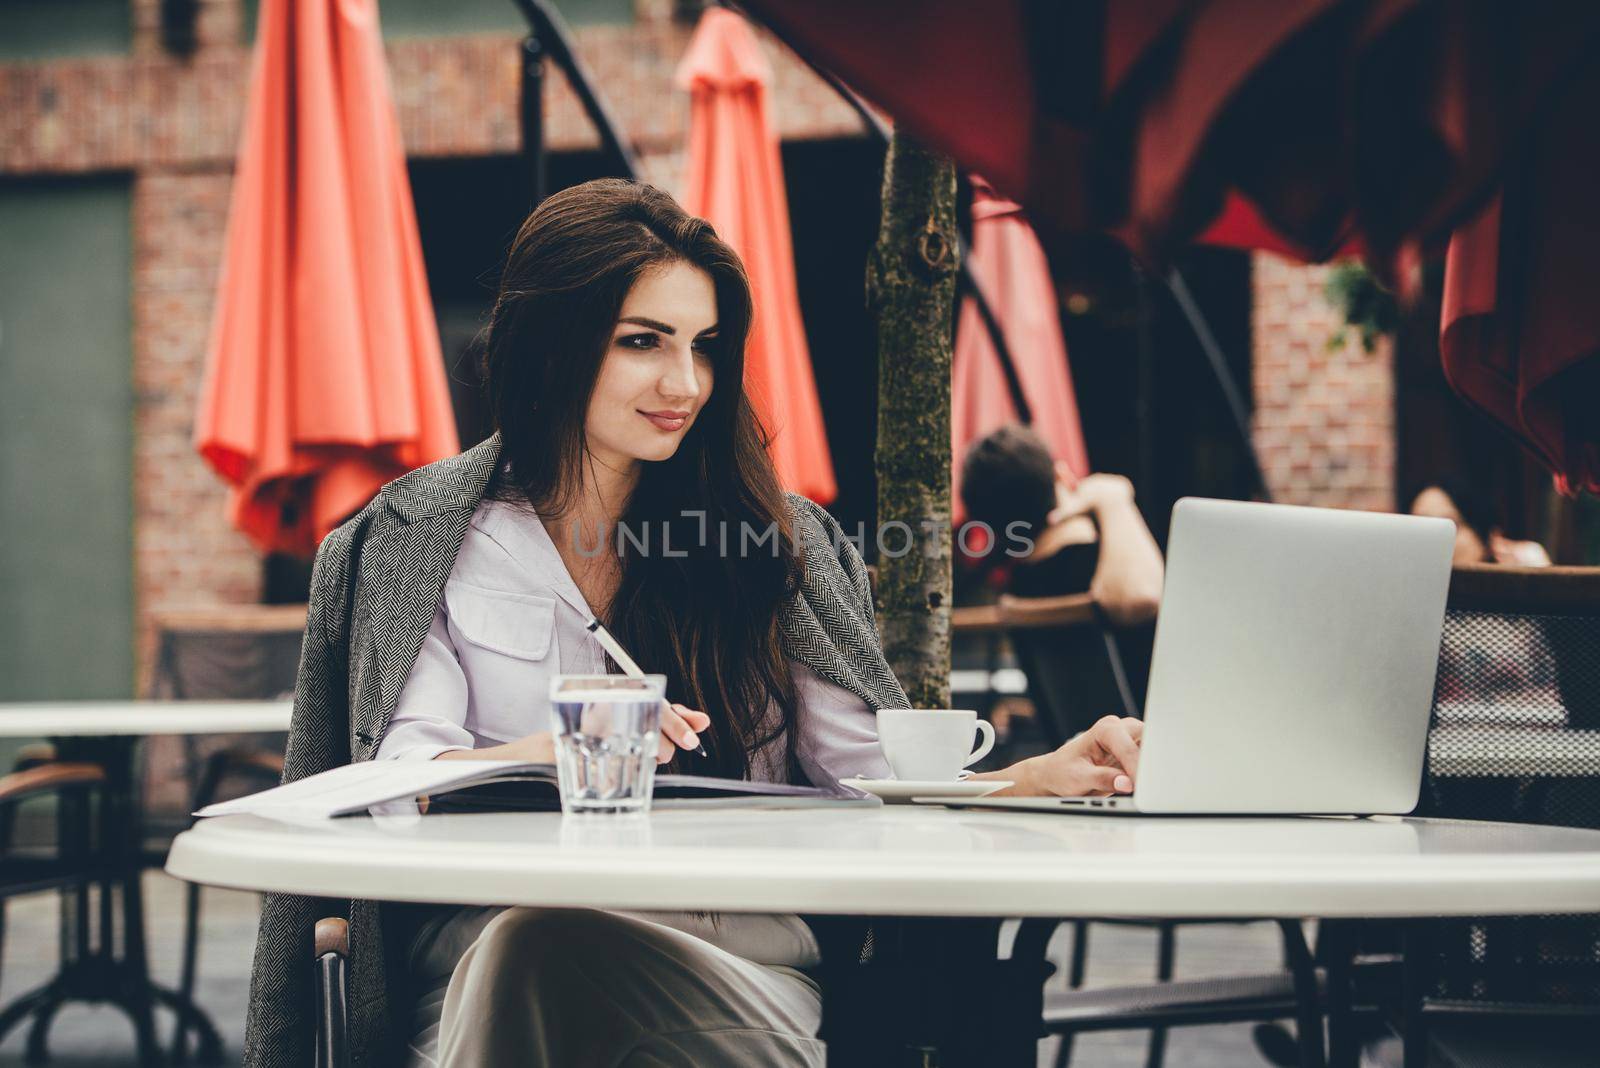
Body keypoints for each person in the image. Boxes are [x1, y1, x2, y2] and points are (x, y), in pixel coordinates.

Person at [244, 179, 1146, 1068]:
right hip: (477, 967)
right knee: (534, 947)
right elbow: (393, 783)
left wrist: (1031, 777)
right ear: (550, 344)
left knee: (547, 953)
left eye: (706, 346)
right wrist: (538, 753)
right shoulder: (423, 542)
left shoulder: (770, 544)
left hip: (733, 968)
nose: (686, 382)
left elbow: (873, 783)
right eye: (644, 341)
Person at [1408, 477, 1551, 567]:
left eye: (1449, 527)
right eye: (1422, 528)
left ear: (1489, 535)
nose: (1435, 541)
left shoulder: (1525, 560)